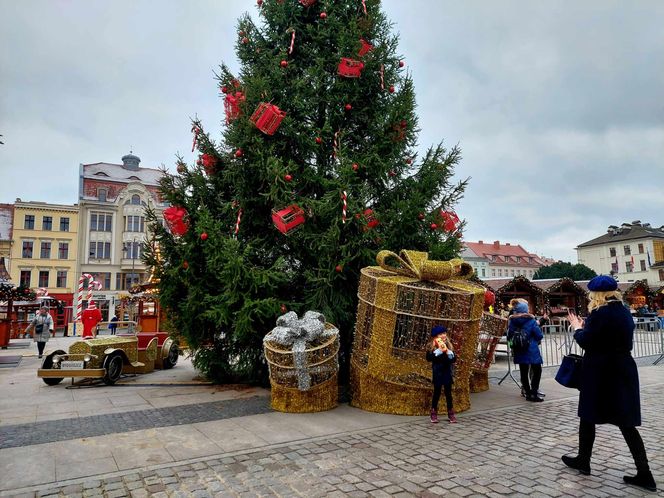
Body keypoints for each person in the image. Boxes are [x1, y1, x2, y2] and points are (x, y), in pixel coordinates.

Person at [563, 275, 657, 492]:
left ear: (596, 295)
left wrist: (578, 328)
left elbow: (588, 341)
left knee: (588, 416)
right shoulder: (623, 311)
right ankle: (644, 472)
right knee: (626, 422)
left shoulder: (600, 313)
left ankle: (583, 460)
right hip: (623, 368)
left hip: (600, 370)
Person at [506, 298, 544, 402]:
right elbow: (539, 335)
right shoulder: (531, 320)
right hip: (532, 350)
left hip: (520, 349)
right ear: (526, 309)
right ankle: (534, 393)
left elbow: (509, 336)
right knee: (537, 371)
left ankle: (527, 393)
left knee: (523, 372)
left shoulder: (512, 321)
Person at [426, 325, 457, 424]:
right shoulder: (432, 346)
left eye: (444, 333)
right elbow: (429, 358)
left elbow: (453, 360)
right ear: (436, 336)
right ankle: (434, 412)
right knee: (437, 393)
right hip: (438, 372)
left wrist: (449, 354)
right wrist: (437, 352)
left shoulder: (449, 345)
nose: (443, 336)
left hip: (447, 372)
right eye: (440, 334)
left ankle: (450, 412)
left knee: (448, 393)